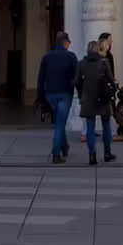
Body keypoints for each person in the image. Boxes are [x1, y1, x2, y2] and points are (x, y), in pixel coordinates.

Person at [36, 32, 78, 164]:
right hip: (65, 94)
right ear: (65, 43)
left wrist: (40, 97)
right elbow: (77, 77)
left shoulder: (46, 57)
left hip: (50, 95)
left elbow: (40, 78)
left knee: (60, 121)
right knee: (60, 123)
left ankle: (64, 147)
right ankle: (56, 153)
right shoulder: (71, 56)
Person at [76, 40, 118, 165]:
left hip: (88, 98)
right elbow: (111, 79)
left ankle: (92, 155)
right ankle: (107, 153)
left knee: (90, 128)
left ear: (87, 50)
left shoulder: (82, 63)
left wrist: (81, 93)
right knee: (106, 126)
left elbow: (77, 81)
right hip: (103, 97)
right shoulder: (104, 63)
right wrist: (113, 90)